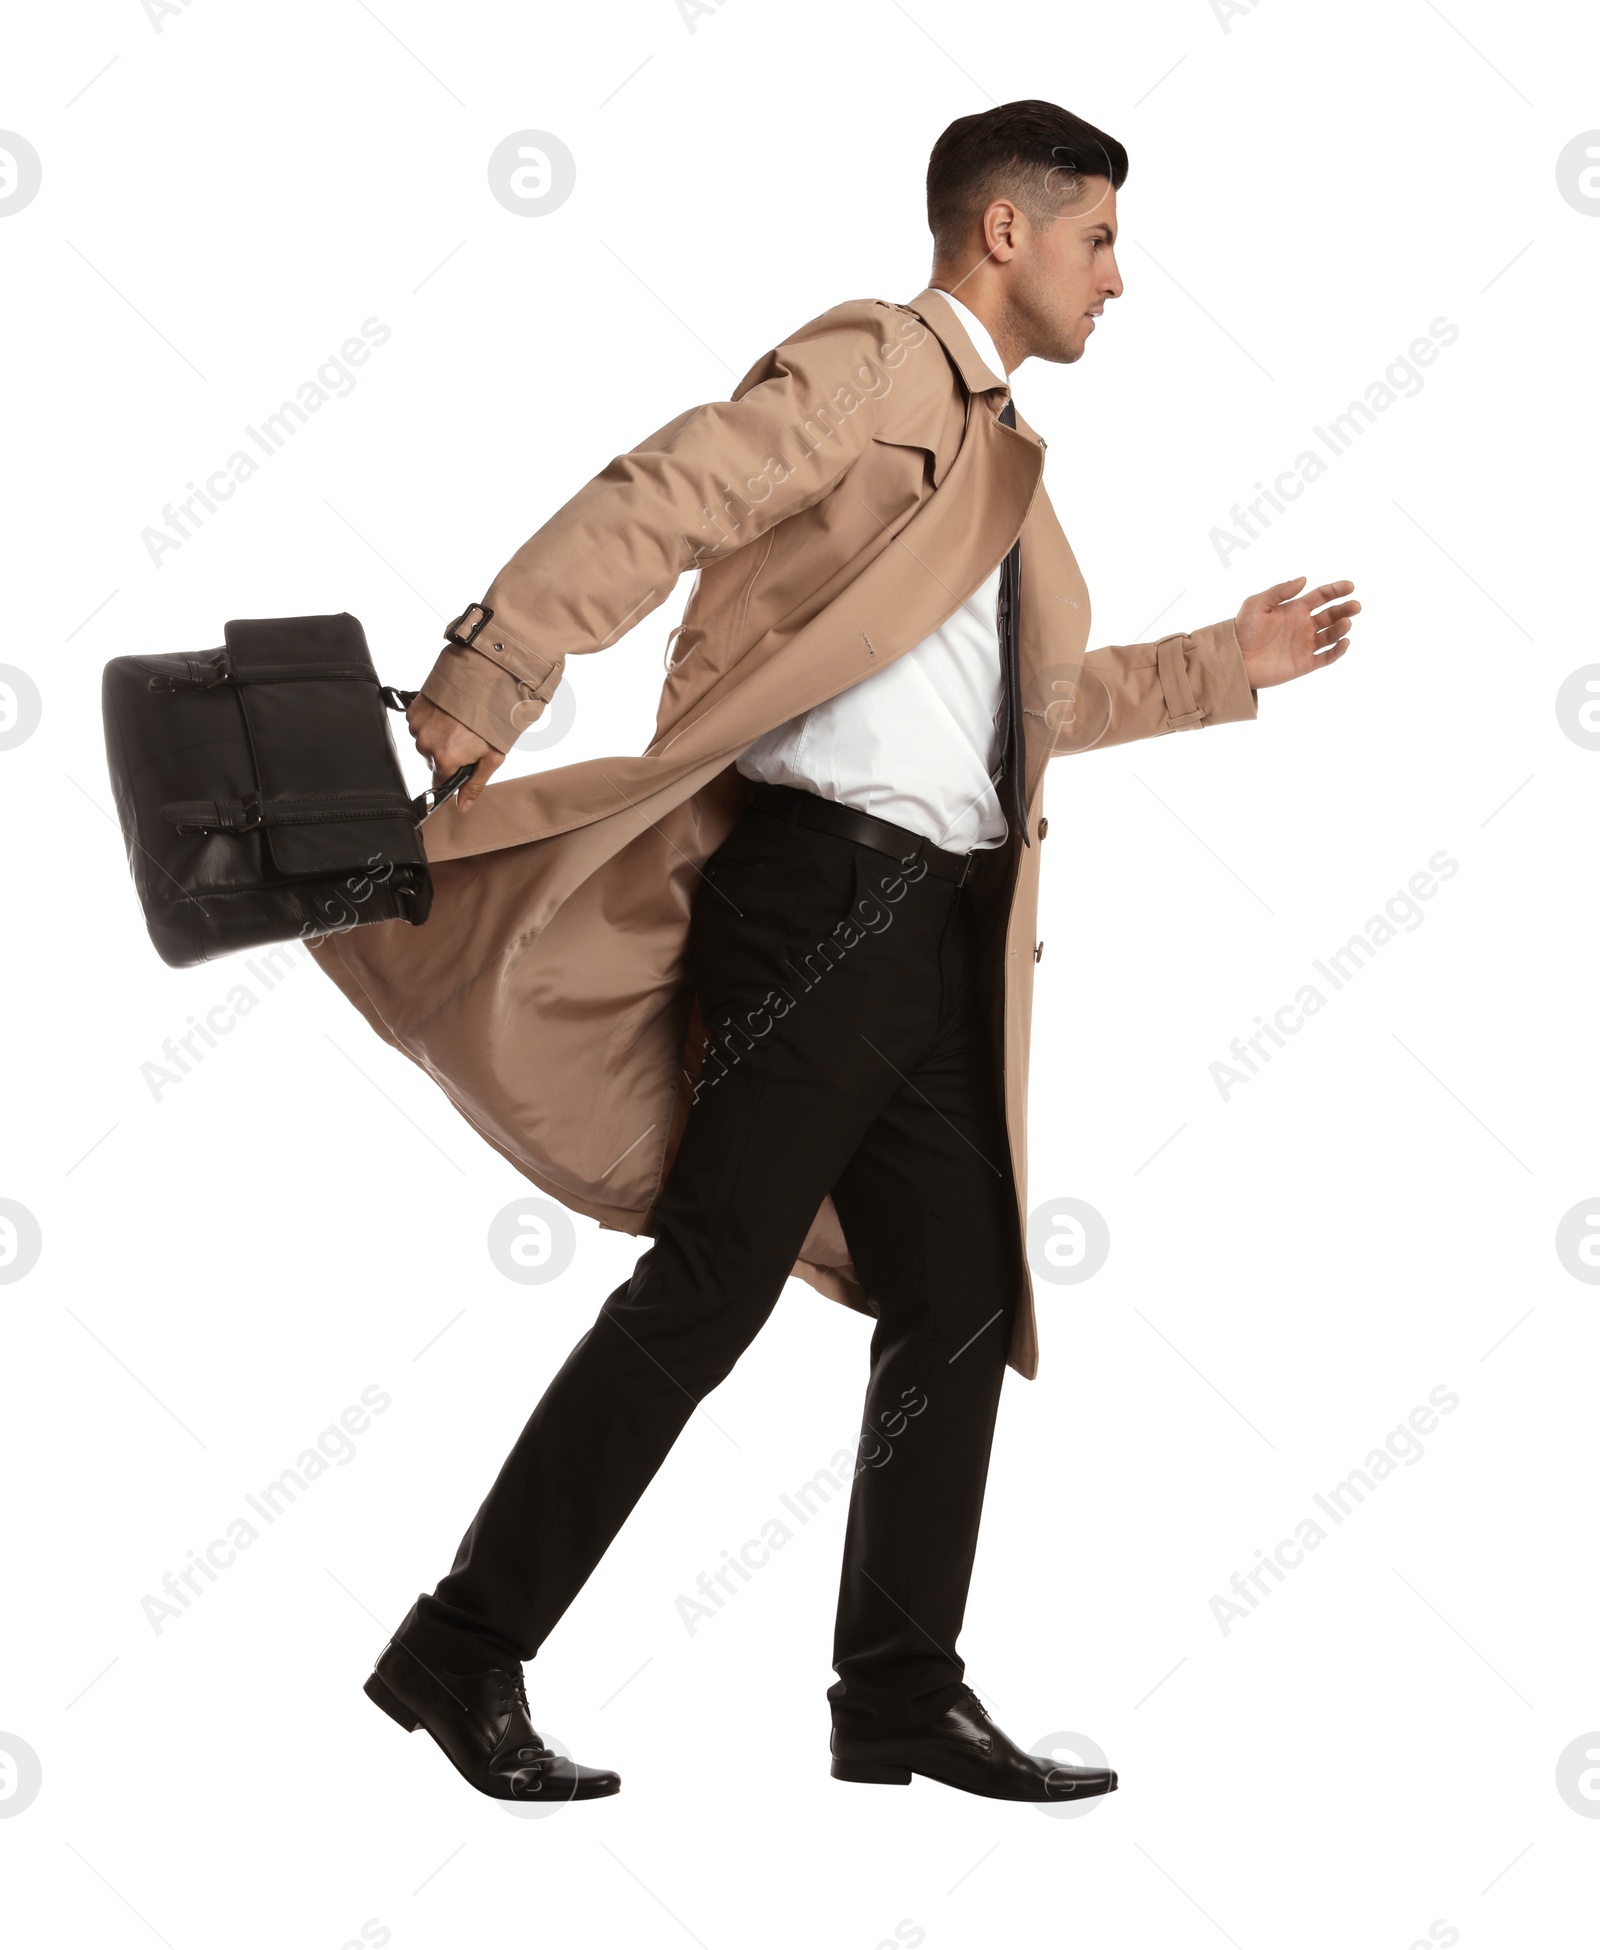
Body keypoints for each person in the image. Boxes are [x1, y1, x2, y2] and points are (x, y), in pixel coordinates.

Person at [328, 98, 1358, 1805]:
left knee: (956, 1300)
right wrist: (478, 686)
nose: (1122, 278)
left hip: (937, 925)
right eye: (1100, 238)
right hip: (820, 904)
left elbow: (1030, 713)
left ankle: (894, 1694)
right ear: (1005, 233)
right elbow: (658, 498)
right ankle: (460, 1650)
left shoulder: (1009, 473)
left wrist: (1223, 665)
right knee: (708, 1287)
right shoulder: (881, 368)